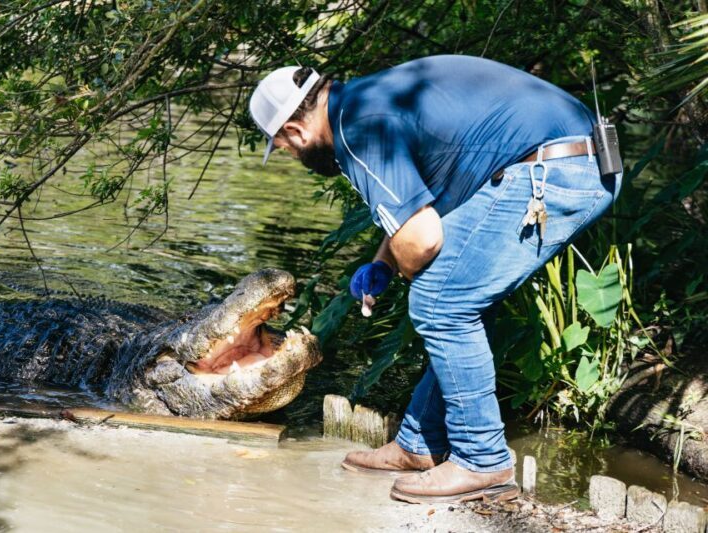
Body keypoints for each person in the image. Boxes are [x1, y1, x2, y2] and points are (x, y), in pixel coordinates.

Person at [248, 56, 621, 504]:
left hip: (557, 167)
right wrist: (383, 264)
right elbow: (418, 207)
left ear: (294, 131)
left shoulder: (358, 128)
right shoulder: (367, 101)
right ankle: (419, 446)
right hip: (577, 155)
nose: (292, 156)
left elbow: (422, 238)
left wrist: (408, 265)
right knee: (455, 298)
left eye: (284, 148)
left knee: (441, 303)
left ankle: (482, 462)